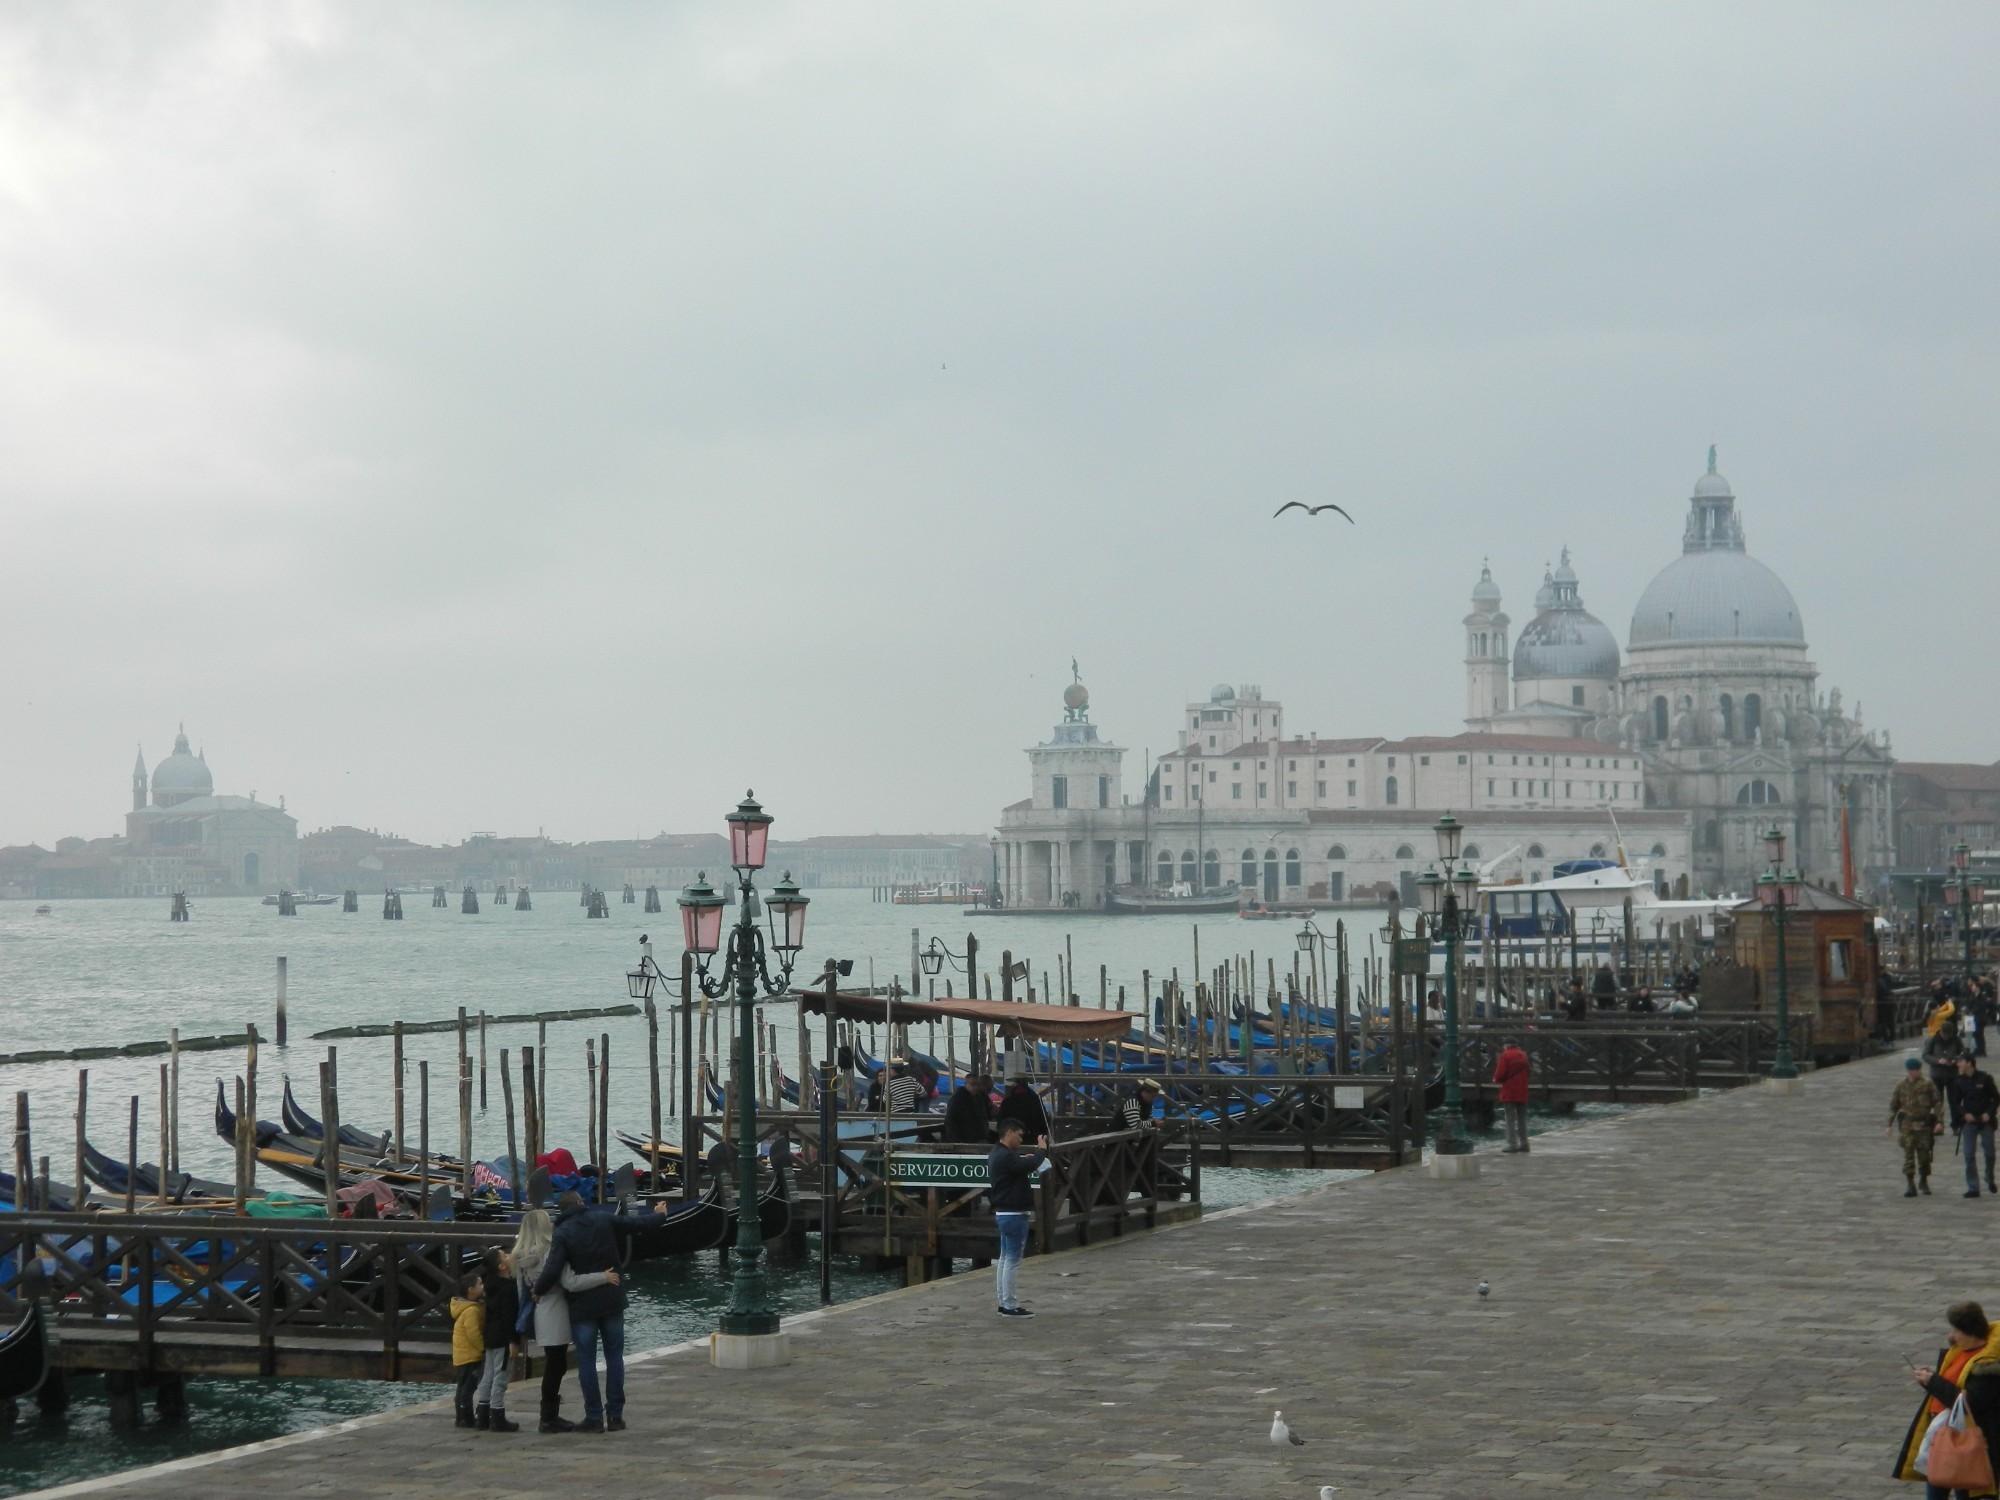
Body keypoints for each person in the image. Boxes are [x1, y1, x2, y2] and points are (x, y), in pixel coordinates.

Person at [531, 1191, 673, 1433]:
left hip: (583, 1305)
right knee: (614, 1357)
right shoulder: (602, 1219)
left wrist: (538, 1290)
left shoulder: (562, 1233)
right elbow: (635, 1224)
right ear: (579, 1203)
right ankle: (615, 1416)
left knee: (587, 1361)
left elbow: (553, 1268)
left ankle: (594, 1418)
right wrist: (659, 1216)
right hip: (611, 1298)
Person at [512, 1207, 615, 1433]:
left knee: (554, 1364)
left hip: (540, 1313)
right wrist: (602, 1277)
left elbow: (521, 1292)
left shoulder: (519, 1256)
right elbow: (570, 1282)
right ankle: (548, 1418)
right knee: (555, 1366)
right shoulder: (550, 1251)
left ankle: (550, 1416)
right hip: (557, 1311)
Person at [1896, 1300, 2000, 1492]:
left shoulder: (1987, 1365)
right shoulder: (1958, 1351)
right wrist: (1930, 1381)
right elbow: (1950, 1387)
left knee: (1964, 1489)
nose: (1950, 1335)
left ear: (1969, 1332)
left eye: (1955, 1330)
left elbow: (1968, 1402)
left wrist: (1933, 1382)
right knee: (1935, 1488)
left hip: (1964, 1441)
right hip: (1942, 1435)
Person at [987, 1117, 1046, 1319]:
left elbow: (1019, 1164)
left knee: (1004, 1259)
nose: (1021, 1139)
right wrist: (1042, 1150)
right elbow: (1029, 1164)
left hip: (1003, 1213)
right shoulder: (1006, 1156)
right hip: (1013, 1214)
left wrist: (1027, 1157)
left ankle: (1004, 1302)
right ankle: (1010, 1305)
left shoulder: (998, 1153)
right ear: (1009, 1132)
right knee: (1012, 1261)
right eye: (1019, 1135)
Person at [477, 1247, 521, 1432]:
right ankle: (497, 1415)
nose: (510, 1255)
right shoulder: (508, 1288)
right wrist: (513, 1340)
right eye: (506, 1255)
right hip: (503, 1337)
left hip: (490, 1336)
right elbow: (508, 1315)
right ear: (503, 1266)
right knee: (500, 1377)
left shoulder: (490, 1285)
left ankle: (482, 1415)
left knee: (488, 1375)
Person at [1889, 1056, 1946, 1198]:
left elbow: (1938, 1103)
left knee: (1924, 1156)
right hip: (1907, 1125)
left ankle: (1923, 1180)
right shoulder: (1901, 1086)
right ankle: (1910, 1184)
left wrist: (1939, 1121)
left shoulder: (1927, 1085)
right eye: (1915, 1070)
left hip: (1924, 1125)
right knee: (1908, 1156)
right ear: (1909, 1071)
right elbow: (1894, 1106)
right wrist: (1888, 1124)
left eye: (1919, 1070)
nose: (1918, 1072)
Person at [1949, 1055, 2000, 1198]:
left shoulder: (1985, 1078)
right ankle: (1973, 1186)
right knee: (1969, 1154)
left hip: (1985, 1121)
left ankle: (1989, 1177)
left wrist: (1989, 1113)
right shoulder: (1959, 1081)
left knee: (1990, 1153)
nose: (1958, 1064)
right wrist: (1964, 1114)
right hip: (1969, 1122)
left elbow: (1995, 1098)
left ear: (1969, 1063)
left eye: (1961, 1062)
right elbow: (1955, 1103)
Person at [450, 1273, 485, 1429]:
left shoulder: (462, 1308)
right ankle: (466, 1417)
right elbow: (473, 1334)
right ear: (471, 1290)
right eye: (480, 1284)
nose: (483, 1286)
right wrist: (482, 1348)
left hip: (461, 1354)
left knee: (462, 1387)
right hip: (470, 1355)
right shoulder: (471, 1310)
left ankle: (461, 1417)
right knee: (468, 1389)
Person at [1492, 1040, 1530, 1154]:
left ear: (1507, 1045)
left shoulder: (1505, 1055)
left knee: (1510, 1119)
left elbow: (1500, 1074)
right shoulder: (1523, 1055)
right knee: (1522, 1119)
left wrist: (1495, 1079)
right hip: (1522, 1090)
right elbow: (1529, 1071)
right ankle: (1524, 1144)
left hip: (1509, 1090)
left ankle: (1512, 1144)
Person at [994, 1077, 1050, 1143]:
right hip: (1032, 1138)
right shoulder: (1035, 1100)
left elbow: (1000, 1123)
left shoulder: (1007, 1101)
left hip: (1011, 1138)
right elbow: (1044, 1121)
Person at [942, 1073, 993, 1143]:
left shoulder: (980, 1097)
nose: (976, 1087)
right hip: (966, 1138)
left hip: (980, 1136)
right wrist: (956, 1141)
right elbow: (950, 1119)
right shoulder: (958, 1099)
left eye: (978, 1084)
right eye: (972, 1084)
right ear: (966, 1084)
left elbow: (986, 1115)